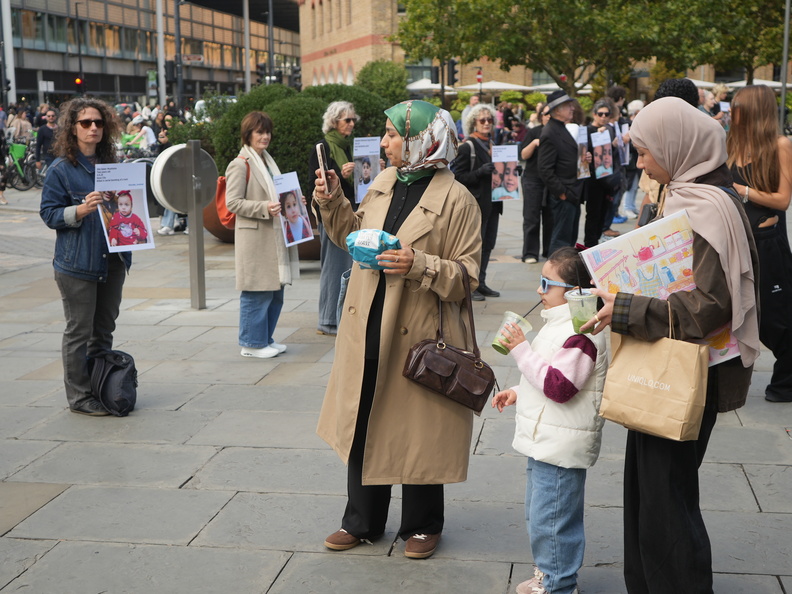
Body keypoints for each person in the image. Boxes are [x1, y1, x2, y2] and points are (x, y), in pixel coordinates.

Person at [584, 97, 760, 592]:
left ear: (675, 147)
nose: (639, 163)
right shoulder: (687, 193)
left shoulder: (707, 207)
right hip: (668, 360)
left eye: (644, 152)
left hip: (687, 368)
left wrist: (625, 307)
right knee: (650, 491)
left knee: (667, 497)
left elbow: (707, 307)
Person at [314, 100, 482, 561]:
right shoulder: (385, 182)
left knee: (416, 427)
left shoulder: (458, 200)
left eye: (391, 134)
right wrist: (332, 200)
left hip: (418, 331)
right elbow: (353, 236)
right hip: (367, 318)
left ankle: (423, 524)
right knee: (364, 413)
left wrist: (418, 264)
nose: (383, 142)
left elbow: (467, 277)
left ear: (419, 141)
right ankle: (361, 521)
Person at [493, 247, 608, 594]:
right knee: (540, 517)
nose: (539, 291)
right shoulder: (559, 325)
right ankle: (548, 573)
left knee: (553, 521)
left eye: (547, 283)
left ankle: (560, 584)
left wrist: (519, 349)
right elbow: (546, 373)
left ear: (574, 292)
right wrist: (518, 390)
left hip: (561, 445)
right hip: (545, 439)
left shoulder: (583, 333)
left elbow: (560, 387)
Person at [39, 97, 128, 416]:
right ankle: (79, 396)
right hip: (77, 263)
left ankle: (101, 386)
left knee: (103, 329)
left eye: (99, 123)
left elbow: (128, 211)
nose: (93, 128)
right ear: (72, 129)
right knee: (79, 331)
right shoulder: (61, 169)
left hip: (113, 259)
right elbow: (48, 214)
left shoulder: (112, 166)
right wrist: (78, 210)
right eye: (86, 123)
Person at [727, 84, 792, 402]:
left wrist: (744, 191)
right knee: (732, 311)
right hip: (735, 242)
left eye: (736, 104)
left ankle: (787, 380)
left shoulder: (779, 145)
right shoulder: (733, 143)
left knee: (775, 317)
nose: (731, 109)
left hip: (767, 244)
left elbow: (783, 200)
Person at [225, 111, 298, 359]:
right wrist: (264, 207)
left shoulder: (266, 160)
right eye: (259, 132)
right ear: (248, 134)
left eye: (267, 131)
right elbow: (232, 202)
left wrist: (294, 201)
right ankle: (251, 343)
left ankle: (264, 338)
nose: (265, 136)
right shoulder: (240, 163)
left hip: (273, 235)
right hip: (256, 237)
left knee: (275, 291)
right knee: (257, 290)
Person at [308, 101, 358, 336]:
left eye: (352, 120)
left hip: (348, 214)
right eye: (347, 120)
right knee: (333, 266)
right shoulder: (323, 146)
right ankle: (327, 320)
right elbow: (315, 183)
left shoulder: (346, 146)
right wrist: (340, 175)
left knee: (345, 266)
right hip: (330, 215)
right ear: (334, 121)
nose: (351, 124)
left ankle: (337, 317)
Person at [452, 102, 502, 301]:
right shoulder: (467, 147)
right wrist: (480, 173)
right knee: (474, 246)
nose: (487, 123)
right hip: (477, 205)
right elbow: (457, 177)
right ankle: (469, 285)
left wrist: (513, 171)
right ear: (473, 123)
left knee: (488, 244)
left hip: (495, 203)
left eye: (490, 120)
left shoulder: (494, 145)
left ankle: (481, 282)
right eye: (482, 120)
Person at [538, 91, 585, 254]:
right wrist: (562, 193)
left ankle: (561, 276)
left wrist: (584, 159)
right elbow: (544, 169)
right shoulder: (550, 132)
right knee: (561, 242)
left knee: (568, 240)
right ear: (557, 110)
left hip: (572, 193)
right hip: (564, 195)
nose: (572, 108)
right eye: (567, 106)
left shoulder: (560, 128)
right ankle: (555, 276)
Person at [519, 105, 553, 263]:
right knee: (531, 217)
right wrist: (534, 143)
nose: (549, 116)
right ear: (541, 116)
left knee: (550, 217)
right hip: (532, 179)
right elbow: (523, 155)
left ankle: (549, 251)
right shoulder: (534, 131)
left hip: (552, 180)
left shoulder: (558, 133)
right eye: (546, 114)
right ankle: (530, 253)